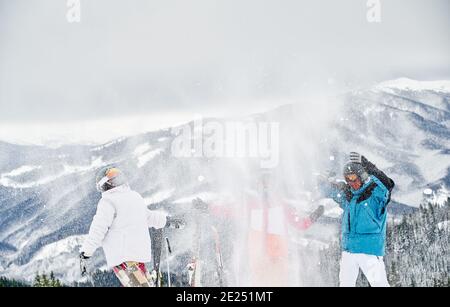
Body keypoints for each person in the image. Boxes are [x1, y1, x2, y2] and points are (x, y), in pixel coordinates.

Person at [79, 166, 170, 287]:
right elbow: (98, 229)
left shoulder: (132, 197)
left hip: (134, 257)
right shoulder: (109, 202)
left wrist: (166, 221)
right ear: (106, 183)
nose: (116, 179)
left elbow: (147, 217)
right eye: (112, 177)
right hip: (125, 259)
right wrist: (87, 251)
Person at [319, 152, 395, 287]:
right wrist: (322, 180)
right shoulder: (349, 197)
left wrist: (367, 165)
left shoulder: (375, 195)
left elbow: (387, 185)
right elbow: (329, 191)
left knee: (379, 284)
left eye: (354, 177)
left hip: (369, 250)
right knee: (345, 284)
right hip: (349, 250)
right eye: (348, 179)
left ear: (362, 176)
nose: (351, 182)